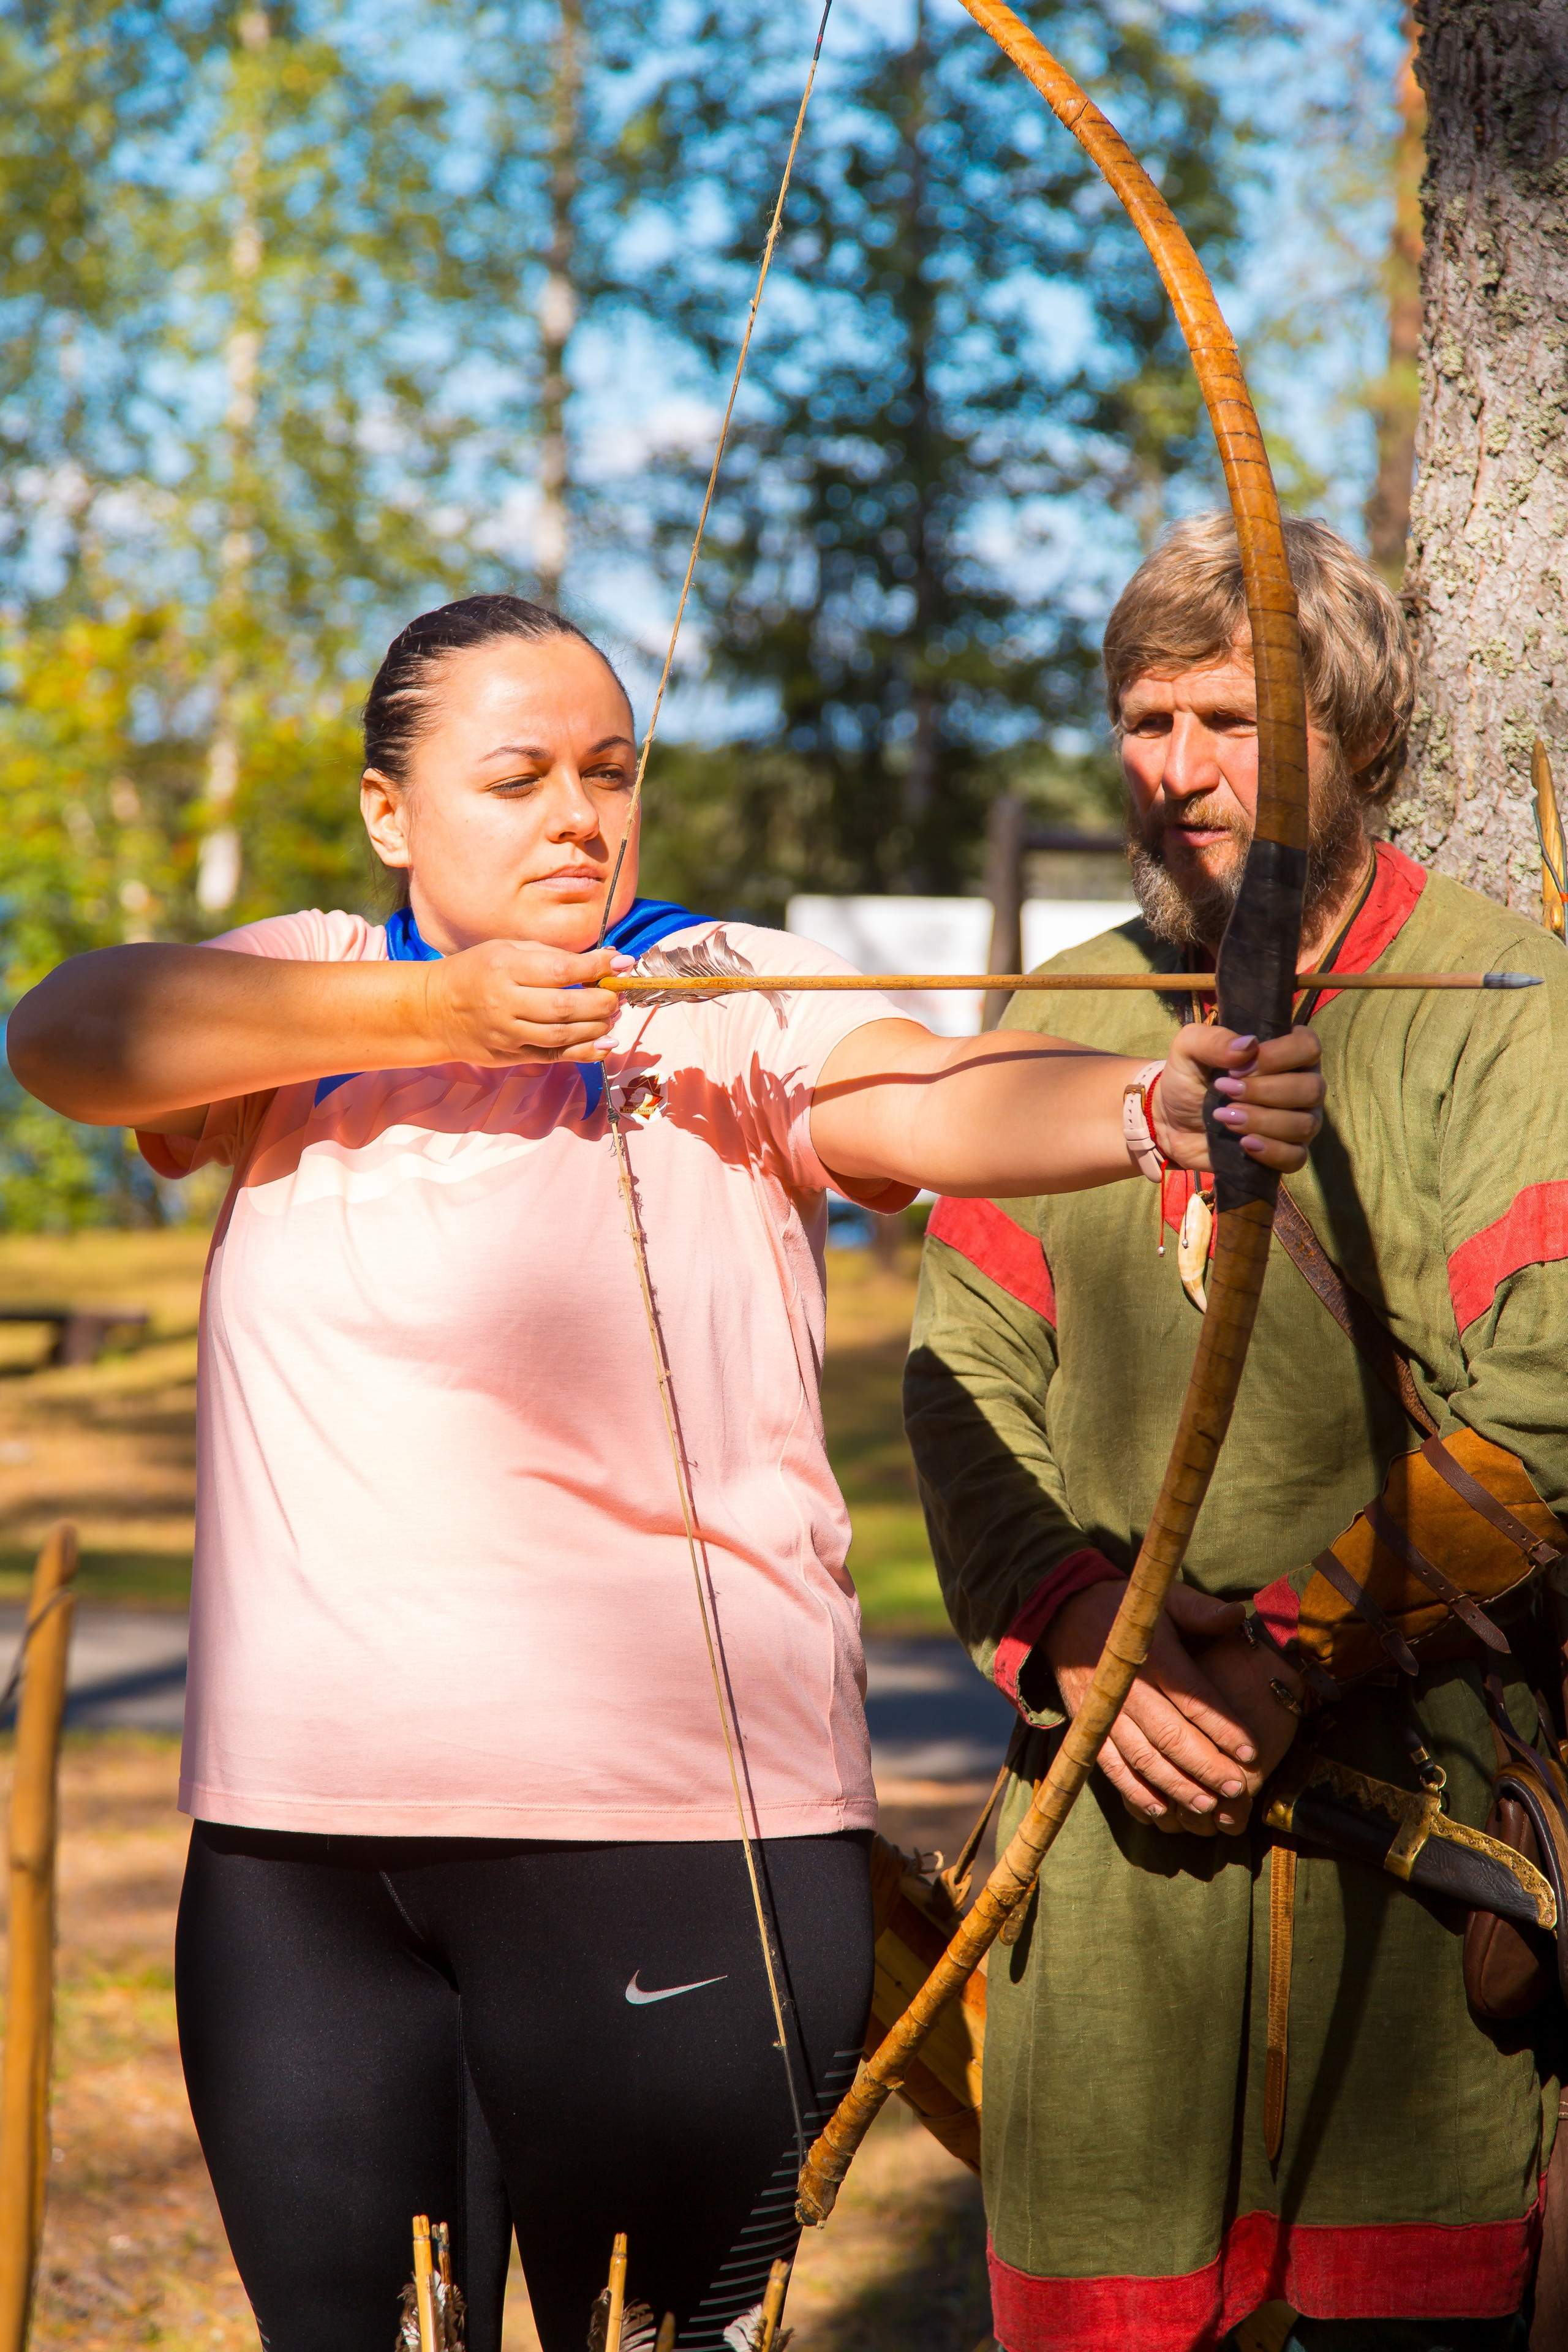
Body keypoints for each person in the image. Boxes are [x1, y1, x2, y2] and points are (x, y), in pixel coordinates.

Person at [7, 592, 1319, 2352]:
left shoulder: (718, 990)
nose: (579, 816)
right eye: (520, 778)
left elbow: (931, 1093)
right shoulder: (308, 988)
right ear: (392, 812)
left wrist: (1147, 1108)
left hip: (672, 1843)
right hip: (298, 1858)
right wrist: (442, 1011)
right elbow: (74, 1033)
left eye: (610, 772)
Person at [903, 513, 1568, 2352]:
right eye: (1147, 722)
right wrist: (1079, 1630)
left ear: (1358, 732)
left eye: (1233, 720)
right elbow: (958, 1373)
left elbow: (1551, 1394)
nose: (1179, 771)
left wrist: (1289, 1648)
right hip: (1110, 1838)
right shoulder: (1070, 1011)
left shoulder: (1503, 1004)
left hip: (1415, 1850)